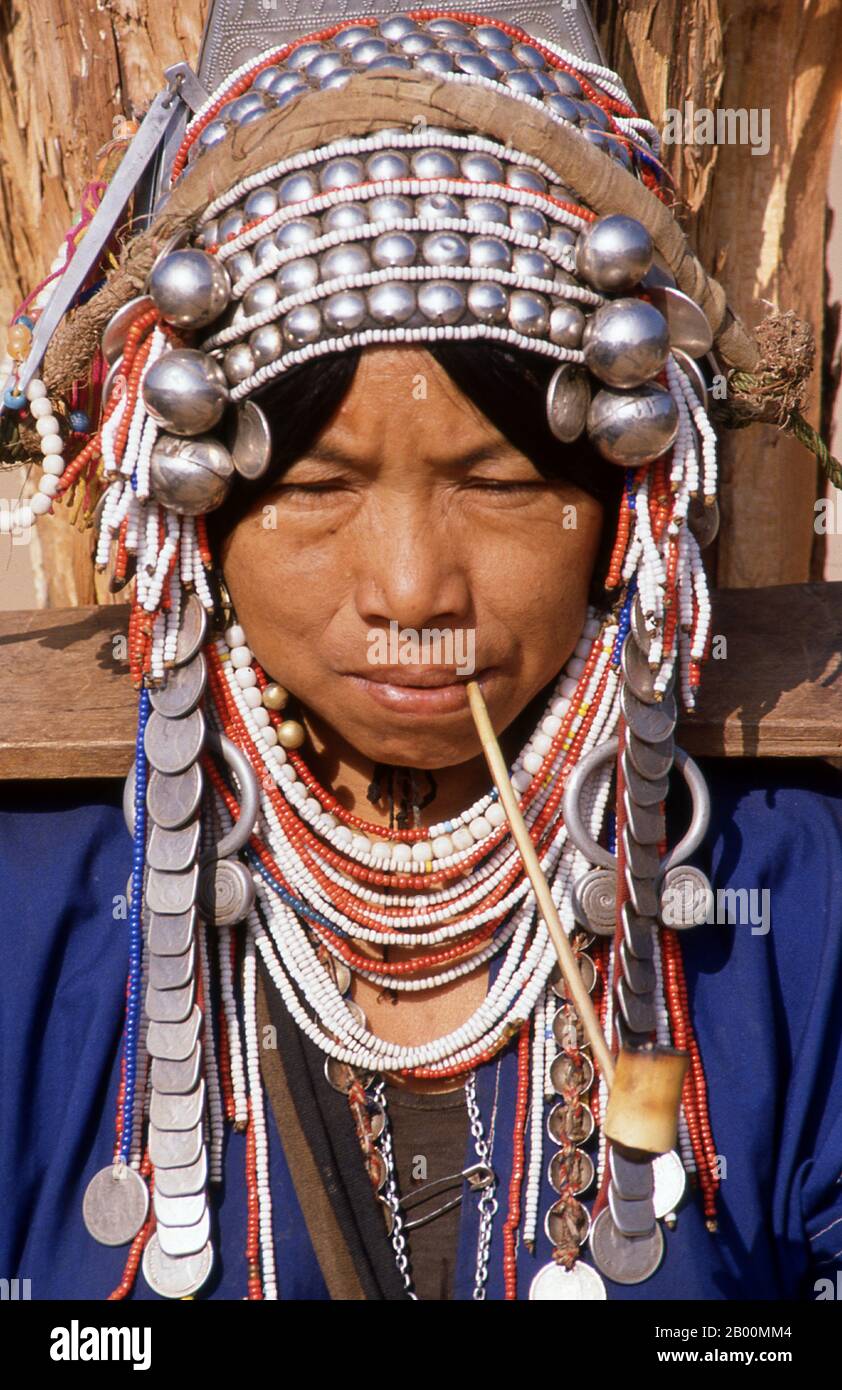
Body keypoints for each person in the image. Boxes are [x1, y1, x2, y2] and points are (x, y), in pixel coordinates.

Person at [1, 7, 840, 1303]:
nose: (408, 585)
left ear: (626, 503)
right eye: (321, 484)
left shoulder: (791, 917)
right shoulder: (33, 933)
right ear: (197, 515)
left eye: (499, 482)